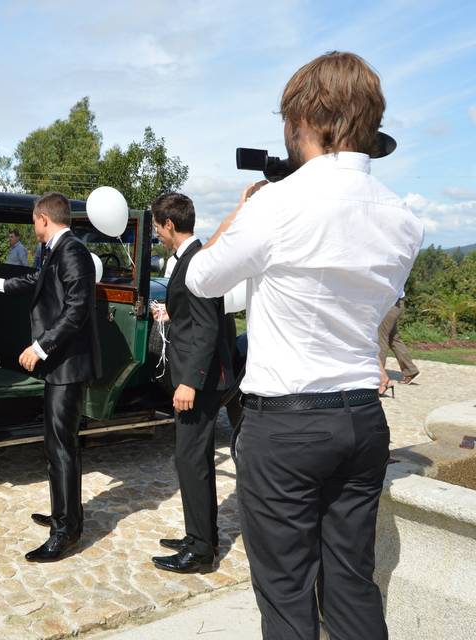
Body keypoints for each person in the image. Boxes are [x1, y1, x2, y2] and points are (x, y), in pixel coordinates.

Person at [185, 52, 424, 639]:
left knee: (287, 595)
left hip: (287, 426)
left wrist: (244, 210)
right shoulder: (404, 219)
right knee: (351, 582)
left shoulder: (276, 204)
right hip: (362, 418)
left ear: (306, 120)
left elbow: (201, 279)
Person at [0, 192, 101, 562]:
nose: (33, 228)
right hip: (58, 366)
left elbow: (77, 308)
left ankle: (66, 532)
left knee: (62, 447)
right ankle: (62, 513)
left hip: (67, 365)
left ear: (44, 219)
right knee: (54, 444)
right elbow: (36, 282)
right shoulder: (55, 251)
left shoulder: (73, 251)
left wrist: (40, 347)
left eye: (34, 221)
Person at [149, 193, 233, 575]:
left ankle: (200, 552)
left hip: (197, 382)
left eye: (155, 226)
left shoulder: (196, 260)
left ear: (169, 224)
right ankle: (201, 536)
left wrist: (190, 383)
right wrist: (170, 312)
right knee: (192, 460)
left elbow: (209, 327)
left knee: (191, 460)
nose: (155, 233)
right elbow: (196, 314)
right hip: (195, 377)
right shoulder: (191, 258)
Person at [378, 292, 419, 388]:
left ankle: (379, 378)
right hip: (395, 304)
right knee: (394, 339)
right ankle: (410, 370)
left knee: (381, 338)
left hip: (390, 305)